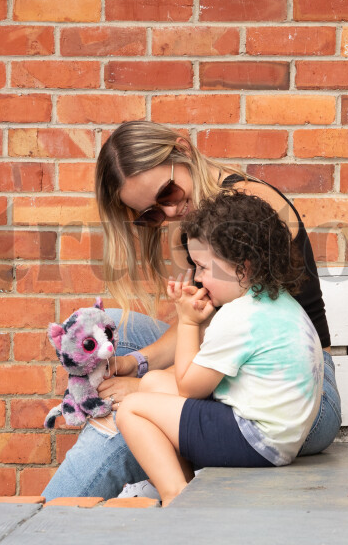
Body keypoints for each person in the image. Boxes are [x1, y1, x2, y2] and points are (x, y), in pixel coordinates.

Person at [41, 120, 341, 501]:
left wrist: (141, 386)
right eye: (151, 213)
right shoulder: (197, 230)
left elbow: (208, 340)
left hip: (296, 395)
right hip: (242, 362)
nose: (168, 212)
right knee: (105, 326)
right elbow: (201, 321)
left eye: (168, 192)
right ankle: (111, 409)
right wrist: (135, 365)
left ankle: (51, 515)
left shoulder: (242, 215)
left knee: (132, 410)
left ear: (182, 150)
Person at [117, 191, 324, 506]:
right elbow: (195, 377)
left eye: (202, 267)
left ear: (242, 268)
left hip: (253, 439)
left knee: (132, 408)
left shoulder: (239, 317)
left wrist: (187, 321)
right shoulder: (275, 301)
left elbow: (189, 388)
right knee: (153, 383)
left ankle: (175, 496)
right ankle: (186, 483)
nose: (198, 278)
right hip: (277, 437)